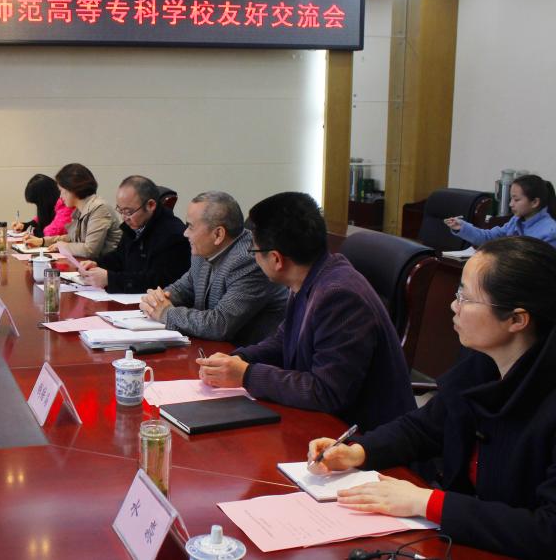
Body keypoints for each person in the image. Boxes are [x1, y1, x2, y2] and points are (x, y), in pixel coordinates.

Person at [307, 236, 556, 558]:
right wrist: (358, 451)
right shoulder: (483, 362)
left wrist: (428, 502)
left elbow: (548, 529)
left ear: (517, 320)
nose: (454, 305)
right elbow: (424, 427)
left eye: (466, 297)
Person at [197, 192, 414, 431]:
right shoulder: (309, 275)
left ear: (276, 259)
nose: (254, 258)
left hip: (360, 436)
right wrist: (239, 359)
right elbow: (283, 340)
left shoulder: (339, 296)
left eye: (254, 251)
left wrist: (247, 375)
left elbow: (326, 391)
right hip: (323, 423)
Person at [139, 191, 286, 344]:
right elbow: (183, 289)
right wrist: (157, 300)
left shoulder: (248, 261)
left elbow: (219, 325)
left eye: (190, 227)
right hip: (215, 350)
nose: (185, 233)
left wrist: (166, 313)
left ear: (218, 234)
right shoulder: (202, 251)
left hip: (249, 353)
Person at [76, 175, 190, 293]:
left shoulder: (173, 235)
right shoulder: (135, 225)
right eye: (120, 210)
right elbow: (120, 257)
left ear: (150, 205)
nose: (124, 218)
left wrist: (110, 279)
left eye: (129, 212)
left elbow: (159, 280)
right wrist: (97, 264)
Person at [24, 163, 122, 260]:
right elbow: (72, 238)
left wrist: (63, 246)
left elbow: (90, 250)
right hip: (91, 264)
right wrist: (42, 241)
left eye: (61, 190)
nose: (60, 196)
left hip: (107, 267)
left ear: (72, 189)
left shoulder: (99, 208)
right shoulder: (81, 209)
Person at [445, 173, 556, 248]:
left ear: (535, 202)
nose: (510, 204)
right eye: (511, 198)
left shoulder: (550, 232)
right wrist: (462, 227)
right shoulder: (515, 220)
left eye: (516, 199)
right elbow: (488, 238)